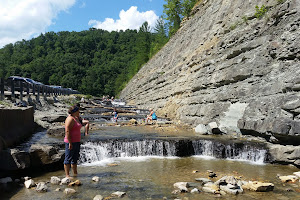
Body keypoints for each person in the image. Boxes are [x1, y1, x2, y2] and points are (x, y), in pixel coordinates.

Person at [64, 105, 82, 178]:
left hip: (77, 141)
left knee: (75, 158)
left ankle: (75, 173)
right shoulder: (70, 119)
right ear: (75, 111)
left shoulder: (76, 118)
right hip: (70, 141)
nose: (79, 112)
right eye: (78, 111)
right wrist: (70, 143)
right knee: (68, 158)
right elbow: (67, 131)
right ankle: (67, 175)